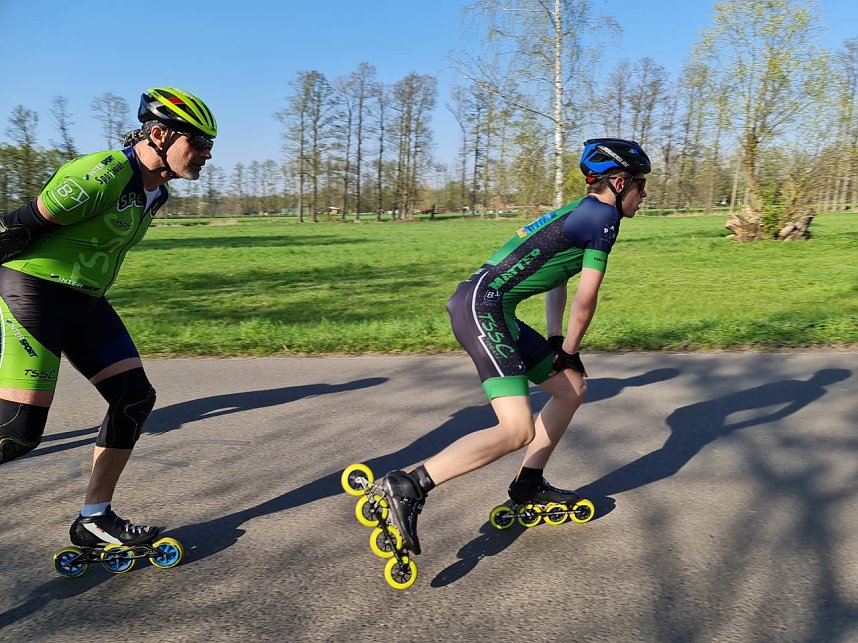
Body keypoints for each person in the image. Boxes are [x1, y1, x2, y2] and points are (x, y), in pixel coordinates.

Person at [377, 138, 651, 555]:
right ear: (618, 183)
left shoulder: (585, 212)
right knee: (516, 428)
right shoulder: (603, 217)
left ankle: (528, 486)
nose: (643, 195)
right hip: (481, 308)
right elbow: (587, 298)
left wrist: (557, 341)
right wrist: (571, 349)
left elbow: (559, 277)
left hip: (491, 307)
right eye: (640, 185)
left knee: (571, 388)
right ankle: (410, 485)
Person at [0, 87, 216, 548]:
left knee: (134, 399)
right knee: (18, 430)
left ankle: (94, 518)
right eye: (198, 142)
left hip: (85, 300)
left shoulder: (156, 192)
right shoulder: (103, 174)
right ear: (159, 135)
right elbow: (14, 229)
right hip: (33, 291)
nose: (206, 154)